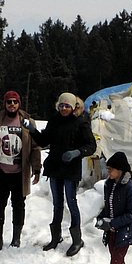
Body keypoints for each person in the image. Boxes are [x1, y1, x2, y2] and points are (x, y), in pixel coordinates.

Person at [25, 91, 96, 255]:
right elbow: (44, 141)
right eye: (61, 105)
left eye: (67, 106)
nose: (64, 108)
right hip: (55, 168)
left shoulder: (81, 122)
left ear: (73, 107)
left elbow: (91, 146)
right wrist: (33, 130)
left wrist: (77, 152)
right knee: (57, 203)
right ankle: (56, 237)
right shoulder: (54, 120)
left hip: (71, 170)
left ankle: (77, 240)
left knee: (71, 203)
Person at [0, 90, 43, 251]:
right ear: (4, 104)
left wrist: (37, 168)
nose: (12, 104)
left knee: (19, 206)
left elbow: (34, 147)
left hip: (19, 172)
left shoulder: (26, 121)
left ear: (19, 104)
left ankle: (16, 238)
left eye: (15, 102)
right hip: (0, 172)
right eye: (9, 102)